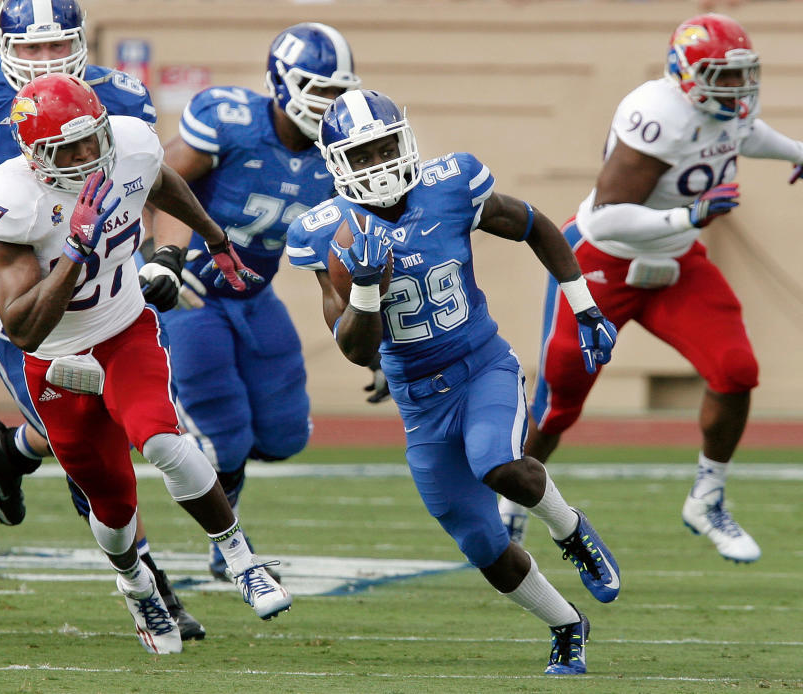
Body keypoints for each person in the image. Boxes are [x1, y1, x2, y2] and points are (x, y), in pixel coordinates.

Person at [0, 0, 205, 639]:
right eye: (29, 49)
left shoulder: (118, 98)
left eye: (57, 45)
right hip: (11, 297)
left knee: (108, 417)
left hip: (103, 289)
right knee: (89, 432)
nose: (45, 60)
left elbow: (156, 182)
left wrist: (168, 254)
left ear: (81, 42)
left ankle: (8, 451)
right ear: (5, 48)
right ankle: (151, 588)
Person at [286, 89, 621, 675]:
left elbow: (537, 226)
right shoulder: (327, 234)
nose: (380, 163)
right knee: (480, 544)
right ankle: (567, 625)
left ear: (405, 138)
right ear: (338, 164)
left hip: (482, 366)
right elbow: (355, 350)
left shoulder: (450, 184)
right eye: (362, 155)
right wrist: (366, 291)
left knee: (495, 462)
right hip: (419, 401)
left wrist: (584, 304)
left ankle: (571, 529)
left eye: (385, 146)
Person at [0, 72, 291, 653]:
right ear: (37, 156)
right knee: (114, 510)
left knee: (162, 438)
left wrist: (214, 238)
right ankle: (137, 586)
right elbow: (21, 328)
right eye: (70, 149)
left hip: (124, 331)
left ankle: (243, 560)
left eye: (93, 139)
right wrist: (73, 252)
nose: (89, 155)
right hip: (55, 362)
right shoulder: (12, 201)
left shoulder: (131, 143)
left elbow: (161, 181)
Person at [514, 13, 803, 564]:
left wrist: (796, 150)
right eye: (723, 75)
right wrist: (687, 216)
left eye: (741, 74)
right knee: (558, 405)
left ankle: (707, 497)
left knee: (735, 368)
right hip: (604, 261)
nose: (737, 88)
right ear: (685, 73)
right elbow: (604, 220)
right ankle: (513, 496)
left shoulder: (726, 107)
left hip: (675, 263)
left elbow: (744, 133)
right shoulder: (658, 115)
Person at [142, 22, 361, 581]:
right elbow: (154, 181)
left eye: (339, 91)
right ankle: (228, 544)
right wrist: (162, 256)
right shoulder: (230, 121)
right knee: (227, 433)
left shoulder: (339, 155)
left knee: (286, 435)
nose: (328, 103)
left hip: (253, 295)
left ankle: (194, 458)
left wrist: (373, 346)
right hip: (192, 294)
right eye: (317, 87)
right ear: (280, 84)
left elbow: (332, 270)